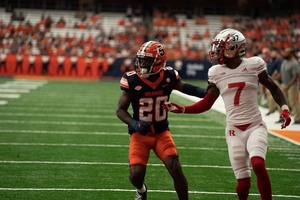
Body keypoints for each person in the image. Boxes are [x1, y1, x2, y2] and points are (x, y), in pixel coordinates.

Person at [164, 29, 291, 200]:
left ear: (234, 48)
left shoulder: (254, 64)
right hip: (234, 130)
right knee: (244, 183)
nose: (217, 51)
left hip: (255, 125)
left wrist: (284, 108)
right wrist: (184, 109)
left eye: (221, 47)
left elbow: (274, 88)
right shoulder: (215, 72)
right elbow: (208, 102)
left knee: (258, 164)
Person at [116, 41, 206, 200]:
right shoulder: (133, 79)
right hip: (139, 134)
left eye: (146, 61)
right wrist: (134, 123)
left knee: (175, 168)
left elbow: (186, 88)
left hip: (161, 132)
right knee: (136, 175)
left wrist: (206, 93)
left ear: (158, 63)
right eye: (141, 59)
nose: (141, 64)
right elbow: (120, 110)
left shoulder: (169, 76)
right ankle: (141, 190)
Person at [278, 48, 300, 124]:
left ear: (290, 54)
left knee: (293, 102)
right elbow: (282, 73)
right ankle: (282, 117)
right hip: (283, 84)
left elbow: (295, 76)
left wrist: (289, 85)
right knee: (282, 102)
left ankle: (297, 118)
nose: (284, 54)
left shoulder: (294, 63)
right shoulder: (284, 62)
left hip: (292, 86)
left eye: (286, 52)